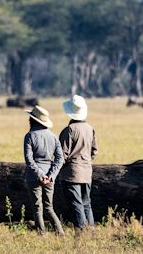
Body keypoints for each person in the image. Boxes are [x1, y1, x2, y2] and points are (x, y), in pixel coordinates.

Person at [59, 94, 98, 234]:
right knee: (87, 204)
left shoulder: (69, 130)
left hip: (71, 174)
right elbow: (94, 151)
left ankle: (81, 234)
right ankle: (91, 232)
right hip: (87, 172)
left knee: (76, 204)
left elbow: (62, 155)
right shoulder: (90, 128)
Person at [24, 105, 64, 235]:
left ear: (33, 120)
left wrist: (39, 175)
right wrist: (50, 175)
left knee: (37, 208)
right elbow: (60, 158)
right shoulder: (53, 136)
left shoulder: (29, 136)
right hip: (49, 178)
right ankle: (60, 232)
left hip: (33, 177)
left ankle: (41, 235)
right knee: (49, 207)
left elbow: (29, 159)